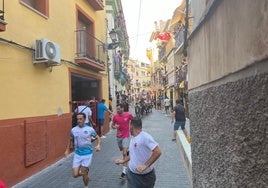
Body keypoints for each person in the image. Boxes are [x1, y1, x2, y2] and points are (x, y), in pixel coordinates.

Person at [115, 117, 162, 188]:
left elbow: (158, 151)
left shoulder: (145, 137)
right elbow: (133, 154)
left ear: (131, 126)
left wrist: (145, 165)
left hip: (146, 177)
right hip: (132, 175)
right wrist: (123, 161)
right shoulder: (133, 137)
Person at [64, 112, 101, 188]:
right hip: (77, 154)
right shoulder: (73, 130)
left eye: (81, 119)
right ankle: (85, 174)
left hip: (87, 154)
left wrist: (98, 145)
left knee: (83, 172)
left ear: (84, 119)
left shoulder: (90, 129)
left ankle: (86, 186)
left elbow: (98, 137)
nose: (79, 121)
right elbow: (70, 139)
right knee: (75, 175)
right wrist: (67, 150)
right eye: (77, 119)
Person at [111, 103, 133, 180]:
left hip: (126, 136)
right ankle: (128, 151)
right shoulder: (115, 116)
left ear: (123, 108)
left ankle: (124, 172)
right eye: (117, 109)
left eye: (119, 109)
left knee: (124, 154)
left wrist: (133, 129)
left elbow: (134, 121)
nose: (118, 110)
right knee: (123, 151)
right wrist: (114, 126)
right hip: (119, 137)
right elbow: (112, 126)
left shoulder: (128, 115)